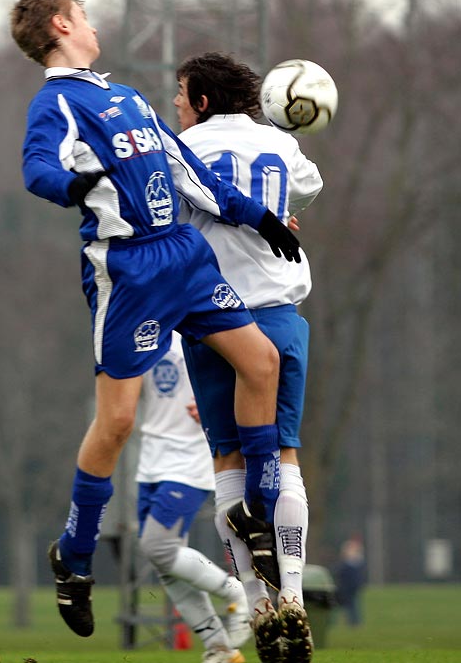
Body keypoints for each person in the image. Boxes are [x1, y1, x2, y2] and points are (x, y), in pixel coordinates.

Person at [10, 0, 302, 641]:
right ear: (61, 23)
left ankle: (254, 511)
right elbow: (36, 170)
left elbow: (188, 170)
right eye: (81, 13)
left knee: (262, 362)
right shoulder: (55, 103)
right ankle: (75, 555)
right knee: (115, 423)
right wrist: (73, 184)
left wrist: (257, 217)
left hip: (185, 257)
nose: (90, 21)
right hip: (130, 272)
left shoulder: (124, 96)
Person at [173, 52, 323, 663]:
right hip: (279, 312)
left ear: (203, 101)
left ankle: (258, 606)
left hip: (215, 318)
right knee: (284, 454)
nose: (176, 105)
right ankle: (292, 599)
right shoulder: (279, 144)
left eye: (181, 94)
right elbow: (307, 190)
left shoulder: (182, 147)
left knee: (228, 461)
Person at [137, 331, 251, 663]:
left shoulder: (201, 328)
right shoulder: (142, 329)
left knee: (158, 546)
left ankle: (237, 592)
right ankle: (219, 647)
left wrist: (220, 404)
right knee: (164, 564)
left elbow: (252, 368)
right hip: (150, 461)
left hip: (189, 460)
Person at [334, 536, 366, 627]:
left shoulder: (352, 565)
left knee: (352, 606)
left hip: (350, 588)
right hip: (347, 588)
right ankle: (352, 622)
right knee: (350, 605)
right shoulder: (351, 564)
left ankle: (354, 622)